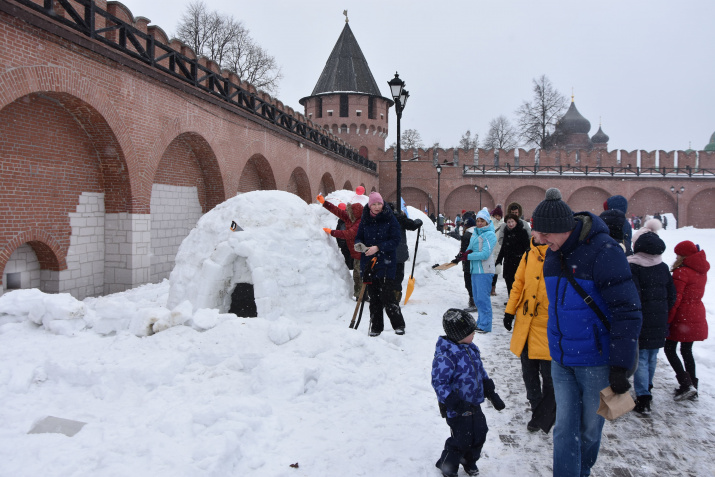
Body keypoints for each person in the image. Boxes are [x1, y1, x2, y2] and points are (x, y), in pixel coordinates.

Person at [531, 188, 642, 477]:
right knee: (565, 429)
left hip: (597, 361)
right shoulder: (553, 253)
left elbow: (627, 310)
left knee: (590, 430)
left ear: (563, 229)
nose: (540, 240)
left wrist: (620, 364)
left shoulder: (604, 252)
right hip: (562, 359)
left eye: (545, 234)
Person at [431, 308, 505, 477]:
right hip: (457, 407)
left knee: (480, 433)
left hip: (474, 403)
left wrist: (491, 392)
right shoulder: (446, 356)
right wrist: (455, 402)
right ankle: (447, 464)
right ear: (459, 335)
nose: (474, 334)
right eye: (471, 332)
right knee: (461, 439)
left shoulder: (471, 348)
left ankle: (469, 460)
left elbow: (480, 371)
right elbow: (439, 382)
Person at [503, 234, 554, 433]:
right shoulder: (528, 255)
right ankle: (536, 410)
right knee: (529, 373)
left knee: (549, 376)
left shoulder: (559, 255)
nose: (536, 235)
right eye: (535, 230)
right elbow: (518, 284)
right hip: (526, 325)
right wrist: (509, 311)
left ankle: (548, 412)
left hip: (548, 326)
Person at [627, 220, 676, 414]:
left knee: (641, 357)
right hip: (659, 318)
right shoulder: (663, 267)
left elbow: (634, 295)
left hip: (642, 318)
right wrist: (663, 309)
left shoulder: (634, 267)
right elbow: (672, 294)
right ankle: (647, 386)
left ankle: (643, 396)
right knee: (652, 356)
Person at [354, 192, 406, 336]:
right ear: (369, 206)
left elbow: (396, 240)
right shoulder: (365, 220)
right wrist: (358, 244)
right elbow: (358, 237)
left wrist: (378, 247)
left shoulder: (390, 219)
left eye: (379, 204)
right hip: (369, 264)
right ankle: (376, 327)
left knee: (388, 296)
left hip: (386, 262)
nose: (377, 207)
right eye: (374, 204)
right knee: (374, 297)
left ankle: (398, 325)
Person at [665, 240, 710, 401]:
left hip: (682, 317)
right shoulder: (701, 270)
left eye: (678, 253)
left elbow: (676, 299)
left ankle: (686, 385)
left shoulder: (681, 272)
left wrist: (668, 319)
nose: (676, 256)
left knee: (669, 349)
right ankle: (693, 387)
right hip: (696, 313)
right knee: (686, 351)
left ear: (683, 255)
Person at [318, 195, 364, 300]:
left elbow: (348, 234)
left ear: (355, 214)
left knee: (359, 275)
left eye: (350, 211)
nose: (347, 213)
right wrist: (325, 203)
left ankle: (361, 296)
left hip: (361, 253)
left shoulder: (359, 223)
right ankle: (360, 294)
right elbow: (337, 211)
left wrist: (332, 232)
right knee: (358, 275)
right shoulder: (349, 218)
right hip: (355, 252)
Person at [465, 208, 497, 333]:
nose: (479, 223)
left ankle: (486, 325)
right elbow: (470, 248)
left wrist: (468, 256)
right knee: (478, 299)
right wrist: (464, 253)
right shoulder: (476, 233)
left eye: (482, 220)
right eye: (478, 220)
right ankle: (480, 322)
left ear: (487, 221)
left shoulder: (490, 234)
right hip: (475, 270)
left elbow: (484, 254)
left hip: (485, 271)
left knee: (483, 299)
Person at [389, 202, 423, 302]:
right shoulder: (399, 218)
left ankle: (387, 296)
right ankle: (396, 296)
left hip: (386, 254)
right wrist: (418, 221)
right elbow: (412, 225)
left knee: (387, 276)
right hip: (399, 253)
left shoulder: (381, 219)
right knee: (398, 276)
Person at [495, 213, 530, 297]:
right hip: (508, 261)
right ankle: (511, 299)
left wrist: (527, 260)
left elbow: (527, 248)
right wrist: (499, 259)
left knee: (518, 282)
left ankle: (518, 301)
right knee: (508, 281)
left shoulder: (522, 232)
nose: (510, 224)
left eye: (512, 222)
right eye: (508, 222)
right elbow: (503, 247)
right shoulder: (507, 232)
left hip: (518, 261)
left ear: (516, 222)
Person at [451, 217, 477, 309]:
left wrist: (458, 259)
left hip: (468, 262)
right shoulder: (477, 233)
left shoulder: (467, 235)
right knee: (475, 282)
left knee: (468, 282)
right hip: (477, 262)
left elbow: (464, 250)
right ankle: (476, 300)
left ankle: (473, 302)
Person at [490, 205, 504, 296]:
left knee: (496, 271)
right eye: (496, 215)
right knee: (489, 270)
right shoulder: (489, 223)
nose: (497, 217)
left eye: (499, 216)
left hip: (498, 250)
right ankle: (488, 287)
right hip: (490, 250)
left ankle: (493, 288)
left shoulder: (503, 225)